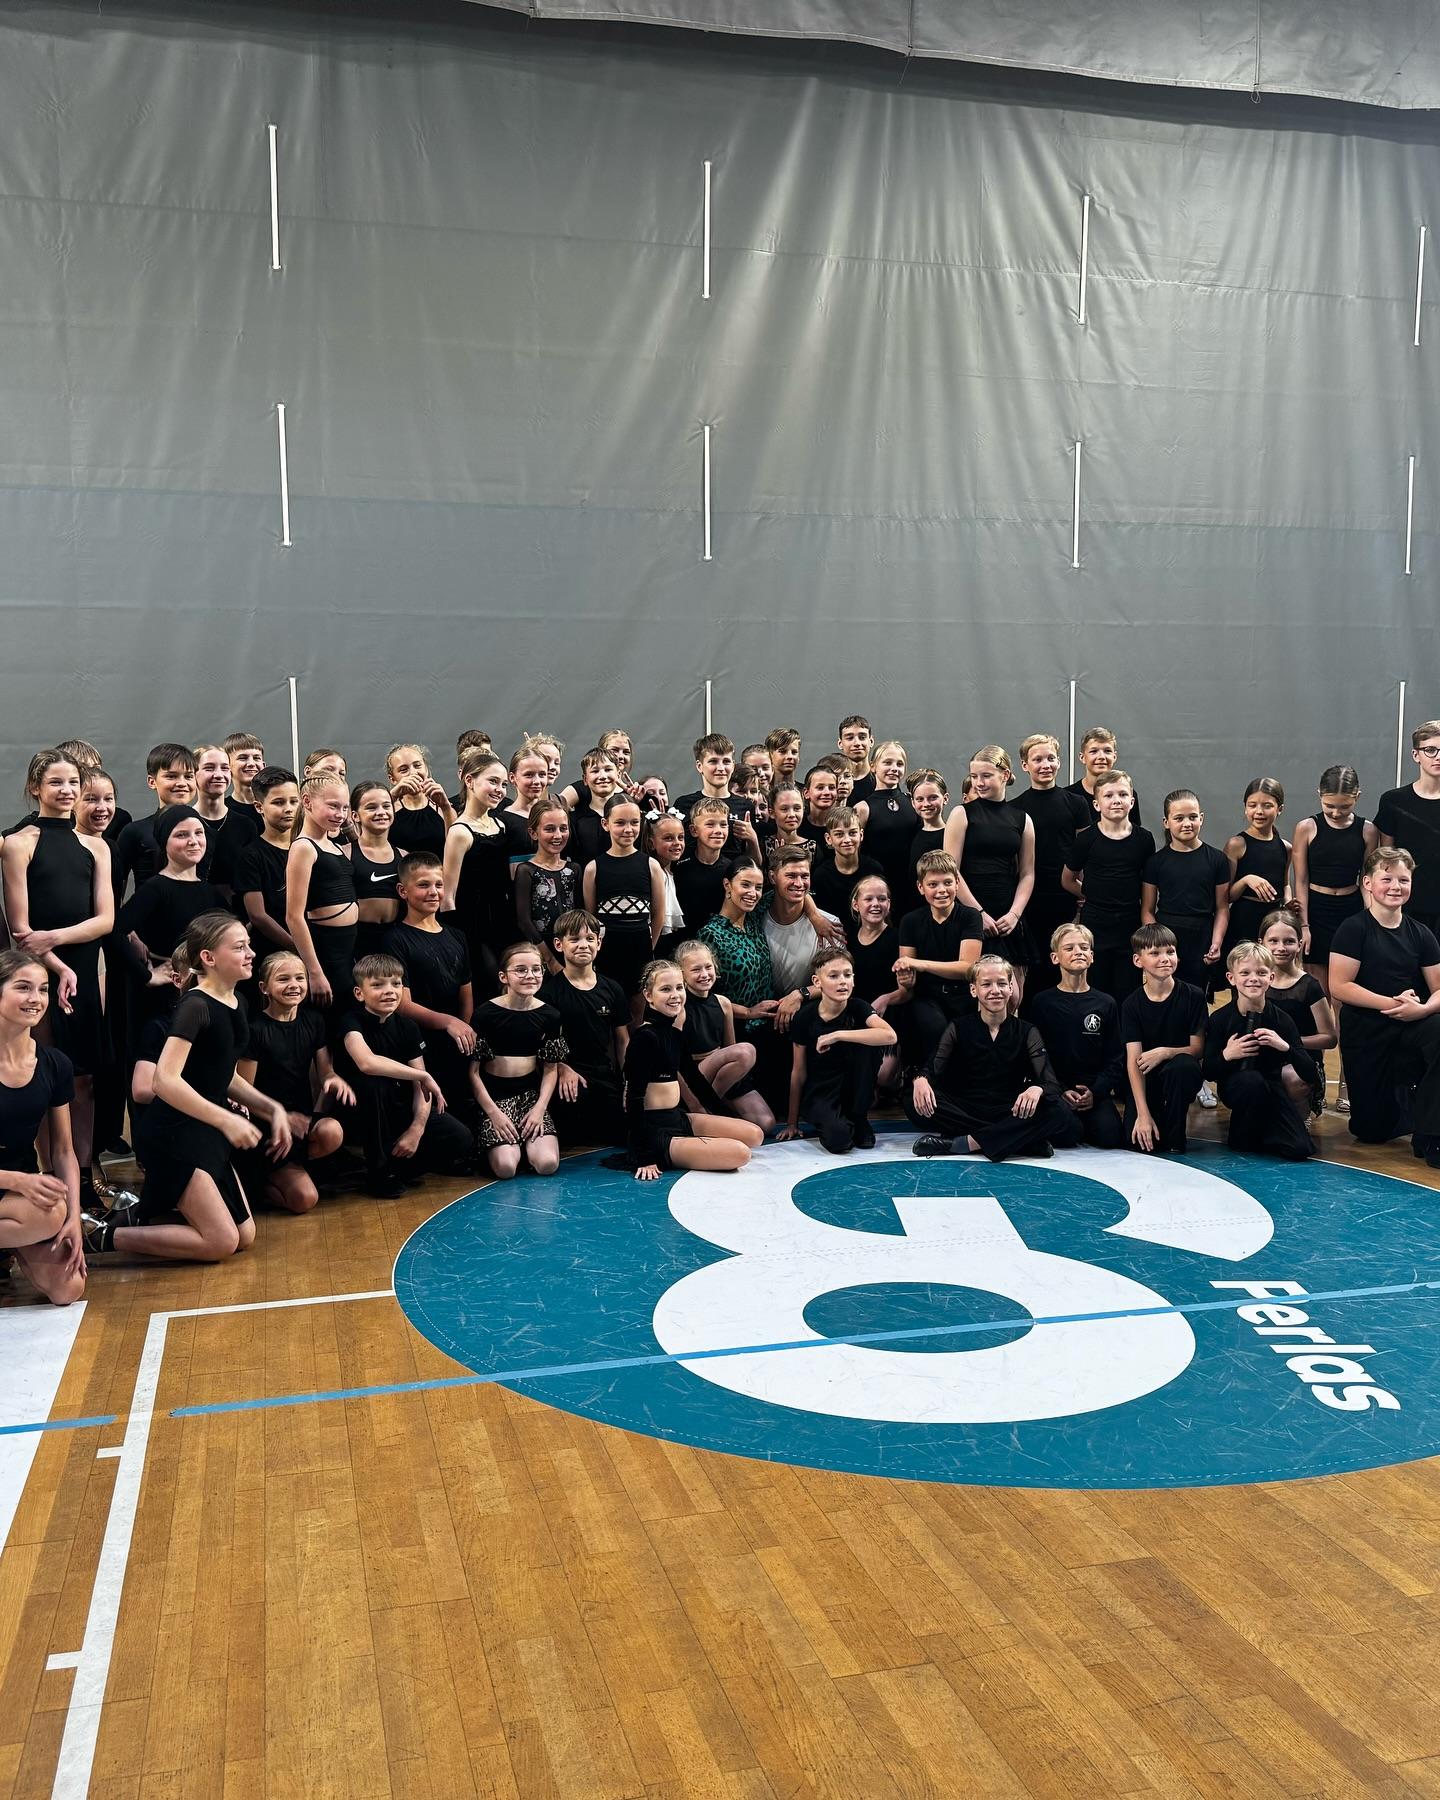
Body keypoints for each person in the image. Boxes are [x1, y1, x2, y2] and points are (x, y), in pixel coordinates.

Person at [87, 914, 291, 1259]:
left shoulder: (237, 1001)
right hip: (173, 1135)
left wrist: (273, 1109)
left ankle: (137, 1215)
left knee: (245, 1236)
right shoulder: (195, 1005)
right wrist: (226, 1119)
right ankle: (105, 1237)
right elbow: (163, 1080)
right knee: (221, 1242)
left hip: (206, 1131)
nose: (251, 953)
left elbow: (222, 1075)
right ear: (208, 958)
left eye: (249, 945)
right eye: (239, 947)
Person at [2, 751, 114, 1211]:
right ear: (36, 788)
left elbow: (105, 920)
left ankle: (83, 1177)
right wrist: (56, 965)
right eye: (56, 783)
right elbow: (21, 930)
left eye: (73, 783)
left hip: (80, 971)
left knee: (83, 1081)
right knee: (46, 1079)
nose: (66, 791)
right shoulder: (18, 844)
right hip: (41, 974)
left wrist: (60, 941)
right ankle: (51, 1179)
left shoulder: (96, 846)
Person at [908, 954, 1081, 1160]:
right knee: (912, 1100)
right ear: (974, 990)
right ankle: (1021, 1141)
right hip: (965, 1107)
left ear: (1011, 987)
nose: (995, 990)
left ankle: (963, 1143)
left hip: (1009, 1108)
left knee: (1059, 1110)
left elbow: (1050, 1083)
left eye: (1001, 983)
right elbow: (932, 1068)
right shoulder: (958, 1027)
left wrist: (1037, 1088)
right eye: (986, 984)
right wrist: (921, 1079)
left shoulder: (1027, 1031)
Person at [1329, 846, 1440, 1161]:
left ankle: (1431, 1134)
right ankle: (1407, 1106)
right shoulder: (1354, 929)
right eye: (1387, 879)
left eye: (1403, 880)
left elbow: (1439, 989)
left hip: (1410, 1027)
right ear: (1367, 883)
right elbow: (1340, 986)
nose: (1396, 887)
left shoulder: (1421, 934)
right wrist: (1392, 1003)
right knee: (1372, 1131)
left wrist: (1422, 1009)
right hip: (1368, 1033)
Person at [333, 953, 471, 1195]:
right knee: (375, 1084)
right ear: (359, 993)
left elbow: (421, 1089)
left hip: (397, 1107)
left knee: (462, 1139)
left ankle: (402, 1166)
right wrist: (422, 1076)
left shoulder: (407, 1026)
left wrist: (416, 1129)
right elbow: (366, 1062)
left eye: (396, 984)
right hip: (360, 1109)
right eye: (378, 985)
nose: (389, 991)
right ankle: (379, 1172)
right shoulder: (350, 1021)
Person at [623, 959, 765, 1179]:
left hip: (677, 1118)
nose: (675, 995)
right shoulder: (645, 1038)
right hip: (655, 1132)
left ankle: (695, 1144)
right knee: (740, 1154)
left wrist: (726, 1118)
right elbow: (633, 1098)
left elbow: (696, 1081)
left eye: (679, 987)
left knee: (755, 1134)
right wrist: (644, 1157)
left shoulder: (673, 1033)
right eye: (665, 989)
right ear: (649, 995)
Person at [0, 949, 86, 1304]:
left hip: (17, 1195)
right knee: (47, 1214)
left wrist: (75, 1219)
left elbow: (63, 1151)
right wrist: (18, 1181)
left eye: (43, 989)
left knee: (69, 1287)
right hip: (13, 1185)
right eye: (23, 987)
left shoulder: (53, 1063)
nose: (35, 998)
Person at [234, 952, 350, 1212]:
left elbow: (325, 1072)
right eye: (283, 979)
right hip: (267, 1125)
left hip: (302, 1119)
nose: (294, 985)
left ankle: (293, 1167)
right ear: (264, 988)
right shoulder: (255, 1030)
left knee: (332, 1131)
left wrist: (333, 1079)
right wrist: (282, 1118)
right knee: (304, 1200)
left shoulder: (313, 1020)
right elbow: (244, 1094)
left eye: (300, 978)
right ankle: (257, 1180)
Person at [116, 806, 226, 1050]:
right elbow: (114, 931)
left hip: (202, 990)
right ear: (164, 842)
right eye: (182, 835)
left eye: (198, 833)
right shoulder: (155, 888)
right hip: (162, 997)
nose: (193, 841)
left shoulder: (211, 893)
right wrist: (147, 975)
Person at [1204, 944, 1317, 1160]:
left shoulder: (1282, 1019)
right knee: (1251, 1081)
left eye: (1261, 973)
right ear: (1231, 978)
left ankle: (1263, 1130)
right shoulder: (1220, 1019)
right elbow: (1208, 1071)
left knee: (1300, 1149)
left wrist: (1285, 1047)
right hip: (1236, 1087)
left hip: (1272, 1088)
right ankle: (1245, 1134)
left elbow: (1309, 1073)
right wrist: (1227, 1055)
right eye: (1245, 973)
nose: (1253, 979)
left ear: (1271, 978)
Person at [383, 853, 476, 1112]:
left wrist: (464, 1031)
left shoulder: (457, 936)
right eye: (423, 885)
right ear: (403, 891)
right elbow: (402, 1004)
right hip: (419, 1045)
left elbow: (466, 994)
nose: (433, 892)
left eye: (439, 884)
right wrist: (449, 1022)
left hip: (457, 1042)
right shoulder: (394, 939)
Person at [780, 947, 893, 1152]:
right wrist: (791, 1123)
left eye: (847, 975)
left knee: (872, 1041)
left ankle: (858, 1117)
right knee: (839, 1142)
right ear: (817, 982)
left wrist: (838, 1035)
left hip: (853, 1089)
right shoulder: (805, 1017)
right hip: (822, 1092)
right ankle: (837, 1122)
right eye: (833, 976)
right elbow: (798, 1072)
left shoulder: (858, 1007)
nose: (842, 981)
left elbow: (890, 1035)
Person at [469, 942, 567, 1179]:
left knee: (547, 1164)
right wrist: (494, 1114)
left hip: (530, 1099)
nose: (530, 975)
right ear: (504, 976)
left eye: (536, 969)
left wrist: (539, 1110)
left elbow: (550, 1070)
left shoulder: (550, 1015)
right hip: (495, 1100)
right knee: (506, 1168)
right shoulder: (485, 1014)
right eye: (521, 970)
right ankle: (509, 1149)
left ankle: (528, 1147)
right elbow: (473, 1073)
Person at [944, 745, 1036, 989]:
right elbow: (950, 871)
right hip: (971, 910)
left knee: (1013, 994)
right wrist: (978, 913)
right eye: (974, 776)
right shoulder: (961, 814)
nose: (979, 783)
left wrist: (1014, 914)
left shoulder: (1022, 819)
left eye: (986, 776)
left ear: (1004, 775)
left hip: (1007, 913)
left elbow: (1027, 873)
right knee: (979, 988)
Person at [1027, 924, 1126, 1146]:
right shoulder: (1042, 1002)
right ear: (1055, 957)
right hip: (1057, 1089)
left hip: (1093, 1090)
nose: (1078, 952)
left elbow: (1115, 1058)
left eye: (1083, 947)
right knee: (1067, 1135)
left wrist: (1096, 1092)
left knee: (1110, 1137)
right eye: (1069, 948)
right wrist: (1060, 1090)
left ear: (1092, 956)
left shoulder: (1106, 1003)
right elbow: (1037, 1056)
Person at [1063, 771, 1156, 1001]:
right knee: (1096, 987)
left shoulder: (1144, 839)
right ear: (1096, 804)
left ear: (1132, 801)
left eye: (1123, 795)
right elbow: (1067, 879)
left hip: (1130, 924)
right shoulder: (1086, 839)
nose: (1116, 800)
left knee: (1128, 988)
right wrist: (1091, 894)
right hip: (1095, 924)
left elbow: (1148, 884)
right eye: (1109, 795)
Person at [542, 910, 629, 1148]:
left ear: (599, 943)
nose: (583, 945)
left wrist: (629, 1081)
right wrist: (561, 1067)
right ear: (559, 944)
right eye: (574, 939)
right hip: (567, 1077)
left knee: (624, 1134)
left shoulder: (612, 989)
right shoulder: (548, 993)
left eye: (590, 939)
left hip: (603, 1074)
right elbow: (540, 1045)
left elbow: (622, 1040)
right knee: (572, 1137)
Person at [1120, 925, 1206, 1153]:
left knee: (1183, 1066)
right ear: (1138, 960)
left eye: (1170, 952)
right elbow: (1134, 1062)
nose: (1165, 958)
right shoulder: (1131, 1004)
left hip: (1180, 1074)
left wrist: (1165, 1052)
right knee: (1136, 1142)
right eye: (1155, 953)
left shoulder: (1194, 996)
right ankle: (1153, 1115)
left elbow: (1198, 1049)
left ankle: (1177, 1135)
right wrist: (1142, 1114)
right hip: (1148, 1078)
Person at [895, 851, 985, 1064]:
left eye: (947, 883)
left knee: (964, 1041)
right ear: (921, 887)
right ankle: (923, 1077)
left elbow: (968, 969)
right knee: (935, 1029)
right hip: (926, 996)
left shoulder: (970, 916)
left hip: (963, 995)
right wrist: (906, 979)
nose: (941, 890)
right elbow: (906, 973)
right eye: (933, 884)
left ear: (957, 884)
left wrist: (921, 965)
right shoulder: (910, 921)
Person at [1014, 734, 1088, 992]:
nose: (1045, 765)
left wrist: (1082, 891)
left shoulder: (1076, 803)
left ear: (1059, 762)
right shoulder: (1017, 808)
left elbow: (1083, 853)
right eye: (1037, 760)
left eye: (1051, 758)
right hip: (1030, 898)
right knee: (1035, 967)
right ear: (1025, 765)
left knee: (1064, 962)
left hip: (1065, 896)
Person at [676, 939, 775, 1131]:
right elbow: (675, 1061)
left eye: (708, 967)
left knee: (766, 1123)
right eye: (696, 970)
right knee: (746, 1051)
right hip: (693, 1075)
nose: (704, 974)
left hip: (721, 1075)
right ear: (682, 974)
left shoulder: (723, 1003)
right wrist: (692, 1101)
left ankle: (713, 1105)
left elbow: (730, 1049)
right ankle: (702, 1107)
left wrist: (736, 1080)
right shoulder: (680, 1008)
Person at [1140, 790, 1231, 991]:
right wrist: (1158, 942)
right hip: (1166, 936)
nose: (1187, 823)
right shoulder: (1156, 862)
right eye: (1179, 818)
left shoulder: (1217, 859)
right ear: (1166, 822)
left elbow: (1222, 908)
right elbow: (1147, 909)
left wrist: (1216, 942)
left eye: (1192, 817)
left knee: (1196, 994)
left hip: (1202, 937)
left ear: (1201, 818)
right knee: (1164, 992)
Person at [442, 748, 513, 997]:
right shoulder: (459, 832)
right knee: (487, 983)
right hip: (472, 925)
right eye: (493, 781)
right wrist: (456, 941)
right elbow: (448, 895)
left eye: (503, 784)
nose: (499, 790)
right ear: (469, 780)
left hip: (502, 919)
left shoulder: (500, 825)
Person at [285, 773, 358, 1013]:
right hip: (325, 950)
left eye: (345, 807)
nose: (341, 814)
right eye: (333, 806)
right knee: (329, 1014)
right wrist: (314, 972)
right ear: (307, 802)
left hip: (347, 946)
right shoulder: (304, 847)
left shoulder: (335, 846)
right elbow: (294, 917)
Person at [583, 793, 664, 1000]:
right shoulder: (593, 868)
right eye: (620, 823)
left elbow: (658, 915)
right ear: (605, 824)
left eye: (634, 823)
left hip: (640, 948)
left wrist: (649, 948)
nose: (628, 829)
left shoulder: (651, 866)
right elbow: (591, 917)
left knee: (637, 1006)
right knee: (607, 1004)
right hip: (607, 950)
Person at [1259, 908, 1336, 1116]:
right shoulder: (1254, 982)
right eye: (1273, 941)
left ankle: (1300, 1119)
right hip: (1264, 1054)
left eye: (1289, 941)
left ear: (1300, 944)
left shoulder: (1309, 986)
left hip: (1300, 1059)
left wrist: (1289, 1043)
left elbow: (1330, 1038)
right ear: (1261, 943)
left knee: (1291, 1078)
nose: (1281, 947)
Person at [1376, 720, 1440, 933]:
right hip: (1407, 906)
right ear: (1416, 755)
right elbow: (1386, 858)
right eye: (1430, 750)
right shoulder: (1394, 801)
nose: (1438, 757)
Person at [846, 874, 908, 1092]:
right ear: (856, 904)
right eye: (868, 899)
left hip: (887, 1014)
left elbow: (908, 992)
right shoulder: (847, 938)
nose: (875, 904)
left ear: (888, 904)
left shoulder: (898, 938)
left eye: (881, 899)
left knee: (883, 1077)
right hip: (856, 1014)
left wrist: (886, 999)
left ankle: (900, 1071)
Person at [113, 743, 199, 895]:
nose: (182, 783)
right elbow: (117, 886)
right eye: (171, 776)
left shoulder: (206, 829)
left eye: (188, 776)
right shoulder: (134, 831)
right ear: (152, 781)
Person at [1222, 778, 1291, 963]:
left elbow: (1285, 884)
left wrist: (1289, 902)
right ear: (1245, 807)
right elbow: (1226, 896)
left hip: (1273, 922)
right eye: (1252, 805)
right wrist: (1247, 879)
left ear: (1279, 809)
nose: (1259, 811)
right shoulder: (1237, 844)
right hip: (1243, 920)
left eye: (1267, 806)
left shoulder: (1286, 847)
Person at [234, 766, 300, 957]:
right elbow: (258, 916)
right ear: (259, 807)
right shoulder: (251, 855)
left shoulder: (308, 847)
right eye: (278, 802)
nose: (288, 808)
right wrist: (299, 947)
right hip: (273, 953)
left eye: (293, 801)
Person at [514, 799, 582, 970]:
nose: (558, 836)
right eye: (549, 829)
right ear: (533, 833)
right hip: (540, 950)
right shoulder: (526, 871)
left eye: (563, 828)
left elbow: (581, 912)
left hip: (571, 948)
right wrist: (549, 959)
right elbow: (524, 921)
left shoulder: (573, 869)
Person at [672, 735, 760, 860]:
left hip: (734, 871)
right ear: (699, 766)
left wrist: (752, 838)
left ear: (733, 766)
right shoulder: (683, 804)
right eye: (713, 761)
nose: (721, 768)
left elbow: (755, 862)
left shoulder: (745, 806)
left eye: (726, 761)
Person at [853, 742, 917, 895]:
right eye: (887, 763)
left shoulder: (913, 802)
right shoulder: (862, 808)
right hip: (876, 885)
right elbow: (855, 855)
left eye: (899, 764)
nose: (894, 768)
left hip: (910, 885)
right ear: (873, 766)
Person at [349, 781, 402, 960]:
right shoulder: (345, 853)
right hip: (357, 939)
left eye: (386, 806)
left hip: (393, 938)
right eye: (371, 807)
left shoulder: (403, 856)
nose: (381, 812)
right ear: (355, 815)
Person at [674, 799, 735, 934]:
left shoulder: (731, 870)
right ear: (694, 830)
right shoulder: (678, 866)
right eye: (710, 824)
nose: (718, 831)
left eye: (723, 825)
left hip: (717, 939)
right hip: (681, 939)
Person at [385, 743, 455, 859]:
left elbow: (456, 849)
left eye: (417, 766)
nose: (413, 773)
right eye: (403, 770)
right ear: (392, 779)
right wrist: (393, 795)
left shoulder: (443, 808)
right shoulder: (388, 811)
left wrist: (446, 806)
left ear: (426, 769)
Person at [811, 807, 882, 920]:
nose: (847, 840)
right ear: (828, 838)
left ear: (861, 835)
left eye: (852, 833)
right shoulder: (821, 875)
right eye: (839, 834)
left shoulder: (874, 869)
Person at [1067, 726, 1144, 829]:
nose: (1101, 757)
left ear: (1114, 756)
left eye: (1107, 751)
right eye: (1094, 751)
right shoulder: (1068, 796)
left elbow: (1134, 833)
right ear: (1082, 757)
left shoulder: (1126, 795)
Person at [646, 808, 688, 960]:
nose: (677, 843)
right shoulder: (652, 872)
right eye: (668, 838)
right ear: (651, 843)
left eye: (681, 837)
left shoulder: (674, 872)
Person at [501, 745, 553, 859]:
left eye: (542, 774)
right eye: (529, 775)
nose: (537, 781)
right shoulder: (503, 822)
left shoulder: (555, 815)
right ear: (512, 778)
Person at [907, 770, 950, 872]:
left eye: (933, 797)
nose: (926, 804)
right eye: (920, 799)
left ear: (945, 799)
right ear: (913, 803)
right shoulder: (911, 833)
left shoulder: (950, 835)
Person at [836, 716, 875, 803]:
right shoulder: (830, 782)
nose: (857, 743)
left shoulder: (882, 780)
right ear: (840, 743)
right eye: (850, 738)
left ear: (871, 741)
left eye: (862, 737)